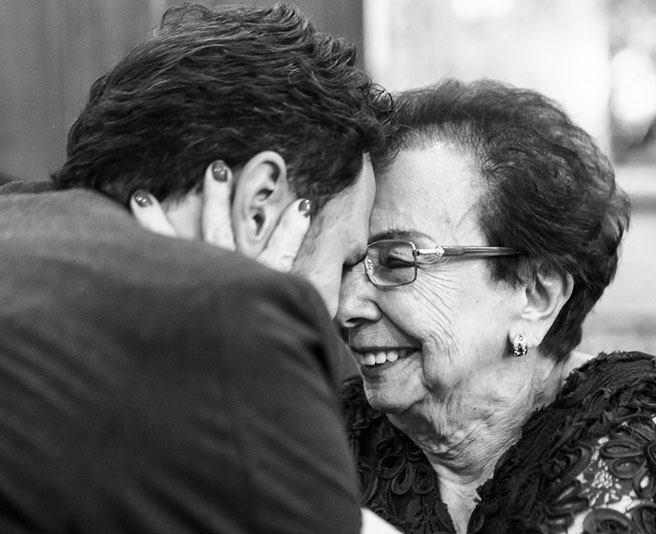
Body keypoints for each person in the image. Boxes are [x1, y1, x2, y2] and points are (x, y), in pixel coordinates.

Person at [0, 3, 394, 533]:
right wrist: (221, 299)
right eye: (346, 260)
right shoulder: (222, 315)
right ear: (259, 205)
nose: (346, 307)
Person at [333, 80, 656, 534]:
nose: (347, 307)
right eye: (347, 263)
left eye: (397, 260)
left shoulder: (637, 416)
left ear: (536, 296)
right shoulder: (325, 434)